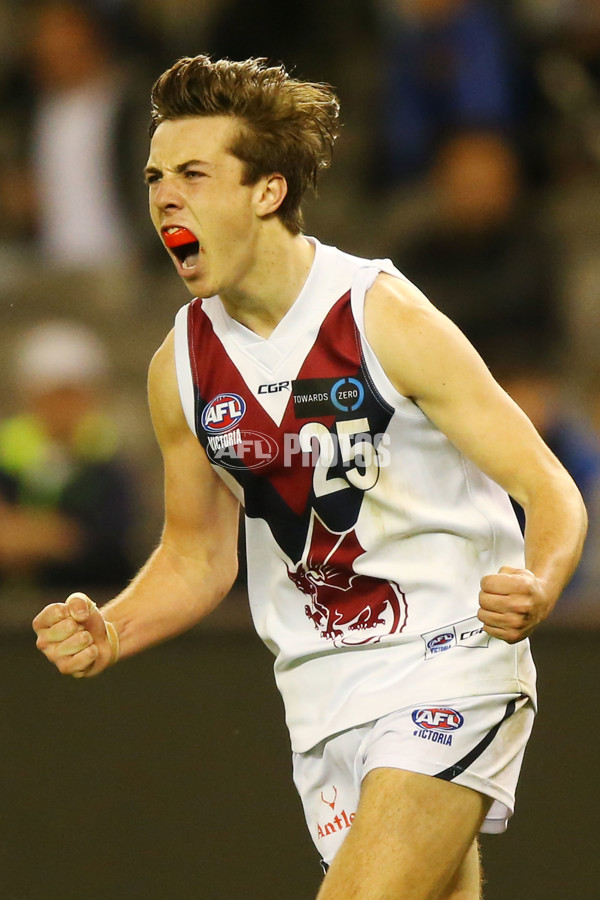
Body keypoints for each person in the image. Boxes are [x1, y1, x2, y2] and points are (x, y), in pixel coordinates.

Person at [32, 55, 587, 899]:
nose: (164, 198)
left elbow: (550, 486)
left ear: (267, 191)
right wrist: (112, 628)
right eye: (153, 178)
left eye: (192, 173)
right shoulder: (179, 368)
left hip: (448, 660)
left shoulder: (380, 315)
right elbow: (196, 555)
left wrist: (540, 583)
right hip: (324, 695)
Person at [0, 320, 136, 591]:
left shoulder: (109, 461)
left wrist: (25, 535)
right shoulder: (7, 453)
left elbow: (101, 541)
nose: (62, 407)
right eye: (52, 395)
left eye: (71, 395)